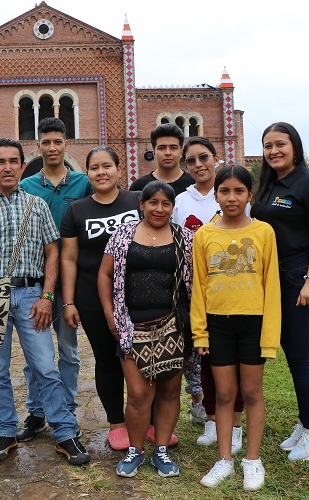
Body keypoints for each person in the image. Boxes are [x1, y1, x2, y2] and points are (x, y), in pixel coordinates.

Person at [0, 138, 90, 466]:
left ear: (21, 165)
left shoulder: (36, 204)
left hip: (31, 294)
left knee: (45, 365)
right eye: (0, 162)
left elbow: (52, 252)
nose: (7, 167)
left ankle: (63, 430)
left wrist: (47, 296)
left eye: (13, 161)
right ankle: (4, 431)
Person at [251, 122, 309, 462]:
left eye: (280, 144)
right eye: (268, 145)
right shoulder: (270, 184)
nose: (273, 151)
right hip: (281, 279)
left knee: (302, 358)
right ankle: (306, 423)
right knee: (295, 356)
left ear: (295, 146)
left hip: (307, 279)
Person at [192, 166, 281, 491]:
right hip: (218, 325)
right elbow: (199, 288)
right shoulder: (204, 235)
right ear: (215, 195)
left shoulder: (264, 232)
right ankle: (225, 460)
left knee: (252, 394)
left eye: (238, 191)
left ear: (249, 195)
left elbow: (271, 286)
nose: (232, 198)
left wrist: (269, 338)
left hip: (253, 324)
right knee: (225, 395)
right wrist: (200, 332)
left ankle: (252, 461)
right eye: (225, 191)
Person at [99, 181, 194, 478]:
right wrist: (109, 313)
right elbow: (104, 274)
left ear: (172, 208)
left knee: (169, 390)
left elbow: (195, 284)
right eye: (153, 202)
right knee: (139, 394)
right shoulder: (123, 234)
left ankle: (161, 450)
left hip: (172, 324)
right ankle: (135, 450)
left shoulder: (184, 238)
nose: (159, 209)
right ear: (142, 204)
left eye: (166, 204)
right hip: (131, 325)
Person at [60, 146, 140, 451]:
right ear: (87, 173)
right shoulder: (77, 210)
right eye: (94, 168)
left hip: (139, 294)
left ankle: (146, 420)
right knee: (107, 358)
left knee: (143, 358)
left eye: (107, 166)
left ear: (120, 169)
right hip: (92, 296)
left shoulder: (136, 201)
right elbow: (69, 258)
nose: (101, 172)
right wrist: (68, 302)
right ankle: (117, 423)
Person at [18, 117, 93, 441]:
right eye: (45, 142)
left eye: (57, 142)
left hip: (70, 283)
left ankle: (66, 408)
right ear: (38, 146)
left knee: (68, 350)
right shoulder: (27, 186)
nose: (51, 147)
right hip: (36, 282)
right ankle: (36, 413)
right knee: (36, 353)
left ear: (66, 144)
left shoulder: (82, 184)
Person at [172, 137, 246, 453]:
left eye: (204, 157)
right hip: (194, 289)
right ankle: (213, 419)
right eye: (191, 160)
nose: (198, 164)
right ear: (185, 166)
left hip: (231, 287)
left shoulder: (231, 192)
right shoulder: (180, 200)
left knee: (236, 358)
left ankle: (237, 423)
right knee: (205, 356)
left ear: (216, 158)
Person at [129, 123, 194, 194]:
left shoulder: (195, 184)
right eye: (162, 148)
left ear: (181, 153)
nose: (168, 153)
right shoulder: (139, 187)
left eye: (173, 148)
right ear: (154, 153)